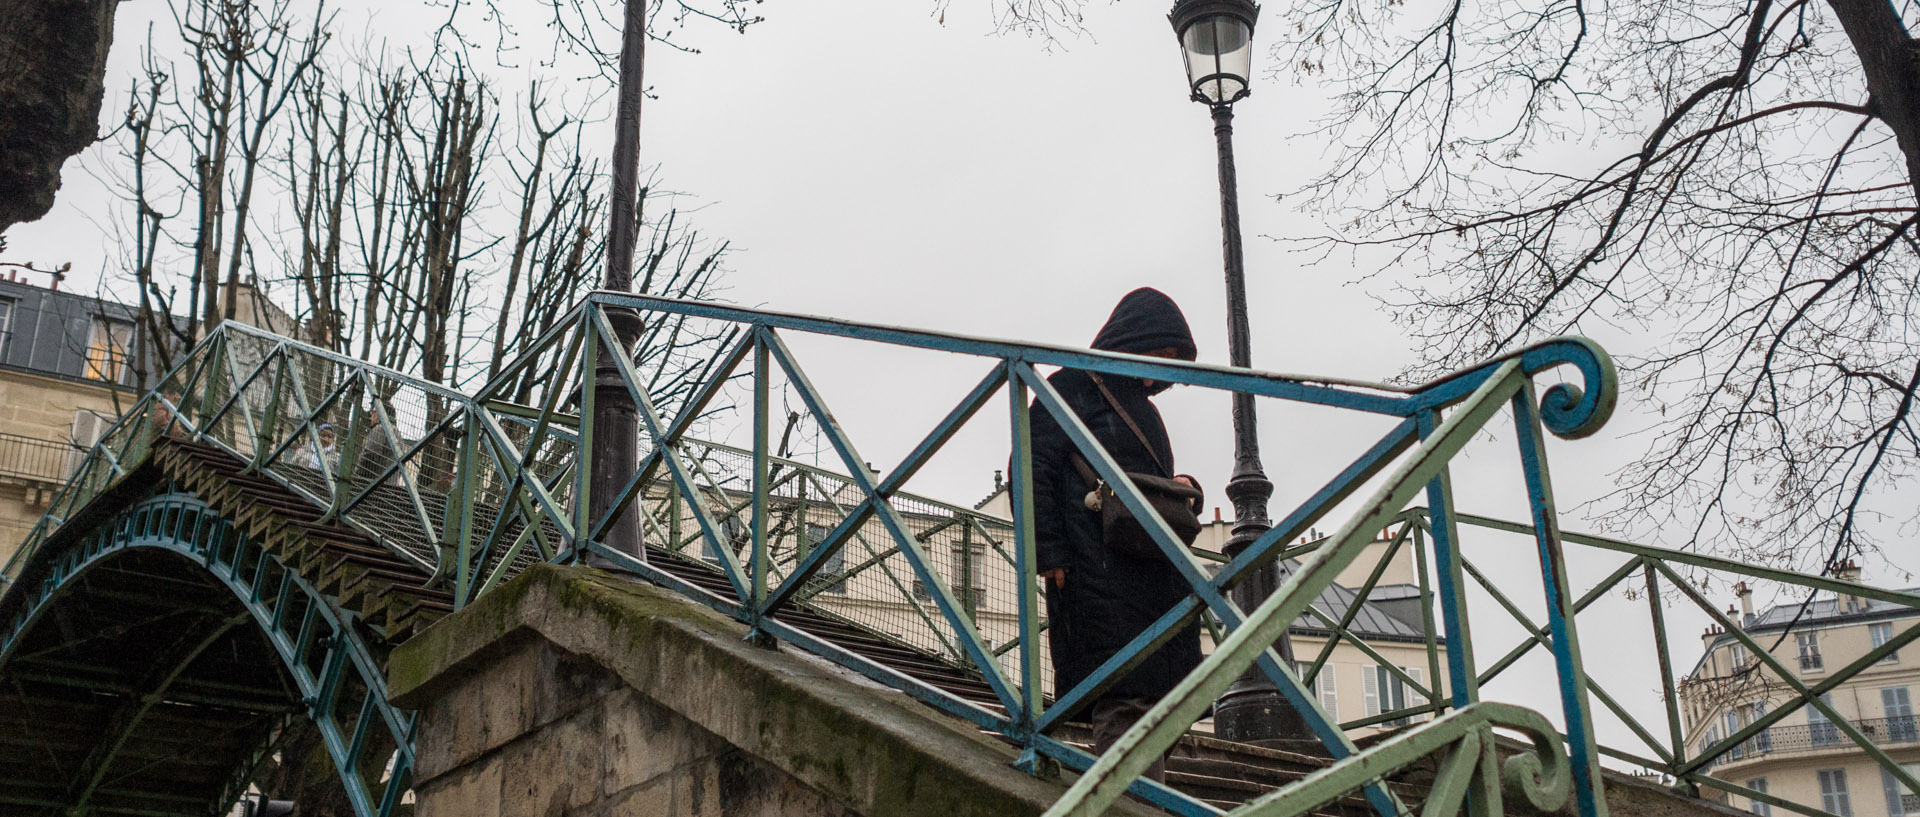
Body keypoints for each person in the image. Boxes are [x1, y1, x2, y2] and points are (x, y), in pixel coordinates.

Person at [1028, 287, 1204, 783]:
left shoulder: (1139, 405)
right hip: (1093, 566)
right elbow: (1033, 466)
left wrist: (1184, 490)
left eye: (1173, 360)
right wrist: (1050, 551)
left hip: (1146, 568)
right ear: (1135, 340)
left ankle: (1140, 798)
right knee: (1124, 690)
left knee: (1150, 693)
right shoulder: (1070, 388)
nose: (1163, 369)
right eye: (1161, 354)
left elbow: (1139, 483)